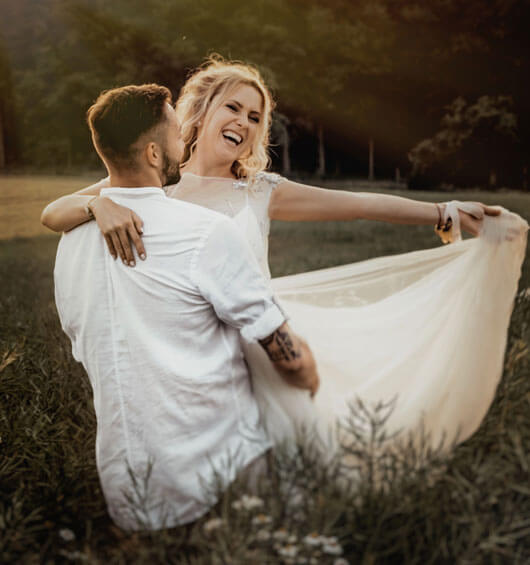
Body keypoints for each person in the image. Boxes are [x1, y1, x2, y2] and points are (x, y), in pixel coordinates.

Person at [43, 57, 528, 455]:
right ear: (202, 110)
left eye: (255, 117)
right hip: (190, 355)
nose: (244, 122)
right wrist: (96, 204)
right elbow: (51, 212)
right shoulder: (160, 179)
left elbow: (359, 204)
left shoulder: (260, 191)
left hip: (260, 342)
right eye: (233, 107)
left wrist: (444, 211)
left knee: (307, 457)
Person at [52, 83, 319, 531]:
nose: (185, 138)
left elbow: (80, 342)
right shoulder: (206, 231)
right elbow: (289, 358)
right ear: (154, 154)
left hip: (131, 492)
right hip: (224, 475)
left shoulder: (70, 243)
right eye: (177, 132)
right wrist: (310, 379)